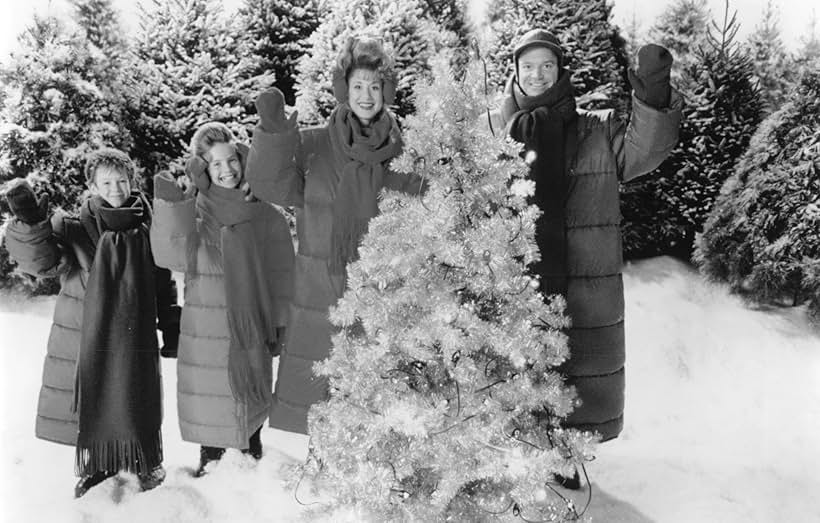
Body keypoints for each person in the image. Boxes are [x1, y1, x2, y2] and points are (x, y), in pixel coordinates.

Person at [497, 29, 683, 488]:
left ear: (560, 72)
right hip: (516, 281)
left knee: (575, 373)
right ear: (515, 75)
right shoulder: (497, 133)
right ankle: (515, 467)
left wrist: (653, 92)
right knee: (511, 376)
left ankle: (564, 465)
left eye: (547, 66)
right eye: (528, 67)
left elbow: (645, 148)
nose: (537, 75)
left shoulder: (595, 131)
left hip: (583, 280)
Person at [246, 37, 427, 435]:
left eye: (375, 86)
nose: (366, 95)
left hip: (384, 292)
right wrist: (273, 133)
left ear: (387, 91)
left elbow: (426, 209)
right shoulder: (313, 144)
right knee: (323, 403)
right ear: (345, 89)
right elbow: (271, 184)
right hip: (321, 292)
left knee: (380, 407)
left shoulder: (407, 149)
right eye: (358, 86)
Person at [3, 149, 179, 497]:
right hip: (87, 333)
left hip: (134, 333)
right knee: (94, 395)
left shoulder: (150, 227)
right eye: (107, 182)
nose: (116, 189)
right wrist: (30, 223)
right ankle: (99, 464)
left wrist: (171, 324)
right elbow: (42, 264)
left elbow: (162, 281)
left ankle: (143, 459)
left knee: (136, 396)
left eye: (122, 181)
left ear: (133, 181)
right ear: (93, 185)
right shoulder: (70, 227)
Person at [150, 122, 294, 476]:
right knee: (213, 412)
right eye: (216, 164)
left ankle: (251, 478)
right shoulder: (195, 213)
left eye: (232, 160)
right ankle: (210, 477)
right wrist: (171, 209)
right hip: (207, 330)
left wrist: (279, 326)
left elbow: (281, 275)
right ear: (202, 168)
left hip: (251, 330)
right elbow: (169, 257)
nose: (227, 169)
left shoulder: (264, 214)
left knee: (249, 415)